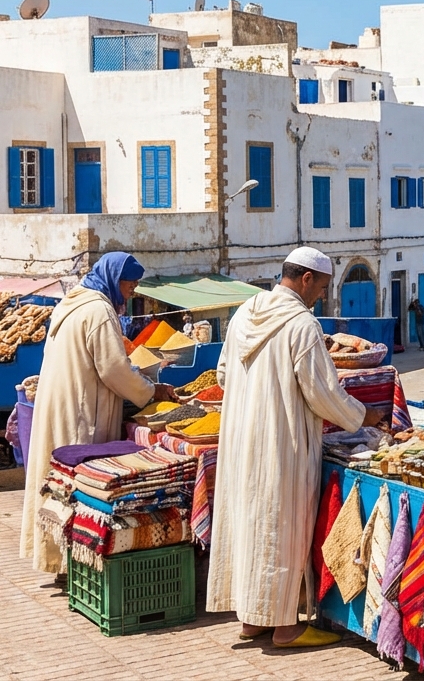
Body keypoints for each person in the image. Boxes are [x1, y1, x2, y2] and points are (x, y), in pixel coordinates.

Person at [207, 247, 380, 648]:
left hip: (240, 441)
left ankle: (252, 620)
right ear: (305, 279)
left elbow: (222, 373)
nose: (320, 295)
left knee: (251, 524)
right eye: (320, 286)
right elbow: (323, 393)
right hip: (280, 444)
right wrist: (365, 415)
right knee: (282, 529)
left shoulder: (245, 313)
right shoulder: (301, 325)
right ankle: (285, 626)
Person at [19, 252, 176, 573]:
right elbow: (114, 368)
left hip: (63, 402)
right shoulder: (99, 310)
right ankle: (73, 563)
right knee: (78, 487)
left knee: (59, 485)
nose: (133, 289)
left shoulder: (73, 302)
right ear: (113, 279)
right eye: (129, 283)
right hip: (81, 410)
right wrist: (151, 390)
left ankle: (61, 560)